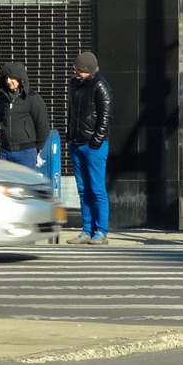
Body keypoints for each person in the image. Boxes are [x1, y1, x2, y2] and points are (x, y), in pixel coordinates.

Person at [66, 51, 113, 245]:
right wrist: (70, 138)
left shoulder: (100, 85)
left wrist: (96, 140)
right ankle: (87, 230)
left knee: (97, 188)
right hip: (76, 143)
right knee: (83, 189)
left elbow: (106, 116)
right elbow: (72, 112)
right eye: (75, 69)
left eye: (79, 70)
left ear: (88, 70)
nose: (76, 73)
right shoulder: (74, 84)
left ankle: (101, 231)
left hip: (93, 145)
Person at [0, 62, 50, 170]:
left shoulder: (32, 98)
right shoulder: (2, 98)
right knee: (6, 186)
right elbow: (1, 119)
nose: (8, 81)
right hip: (5, 151)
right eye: (6, 77)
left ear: (20, 78)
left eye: (12, 78)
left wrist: (37, 148)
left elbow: (43, 126)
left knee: (26, 185)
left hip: (26, 152)